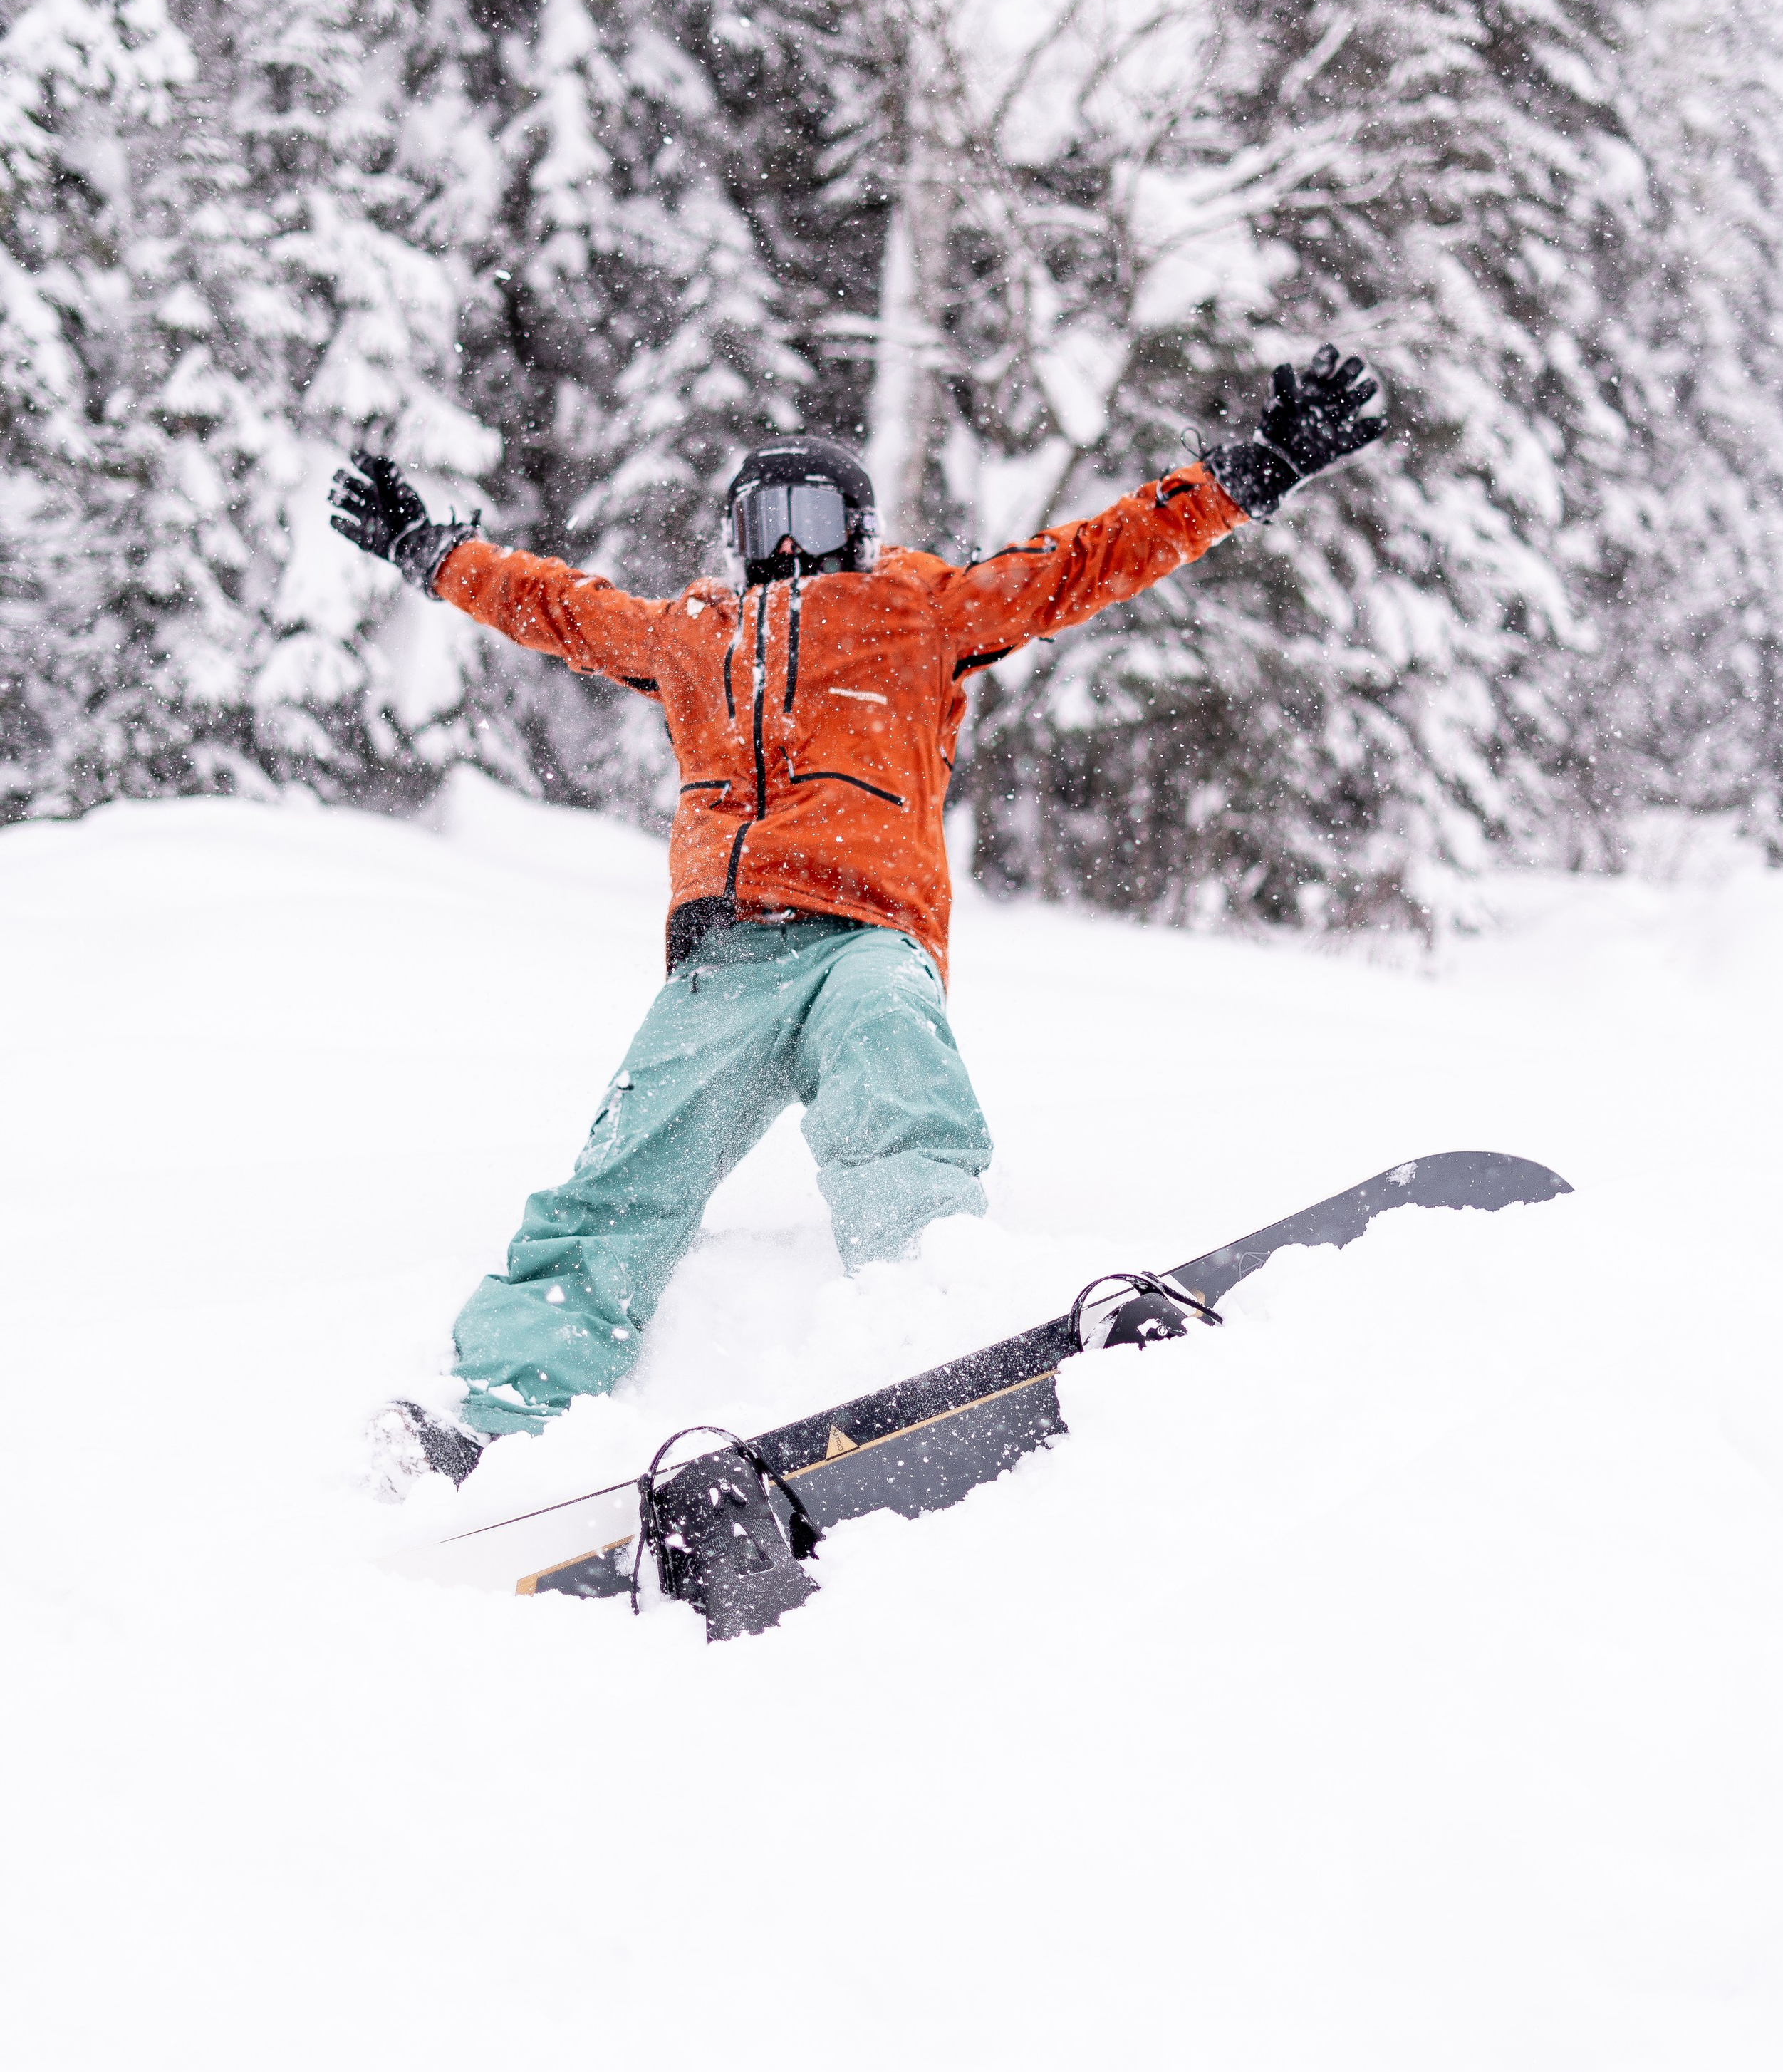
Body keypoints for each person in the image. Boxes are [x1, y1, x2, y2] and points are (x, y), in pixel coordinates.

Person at [330, 347, 1384, 1491]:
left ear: (858, 527)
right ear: (737, 534)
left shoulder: (917, 609)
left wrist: (1247, 473)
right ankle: (499, 1412)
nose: (788, 540)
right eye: (764, 515)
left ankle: (940, 1315)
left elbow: (1082, 561)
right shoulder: (696, 636)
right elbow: (559, 609)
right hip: (726, 963)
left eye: (812, 510)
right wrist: (432, 553)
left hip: (866, 937)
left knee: (897, 1081)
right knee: (619, 1182)